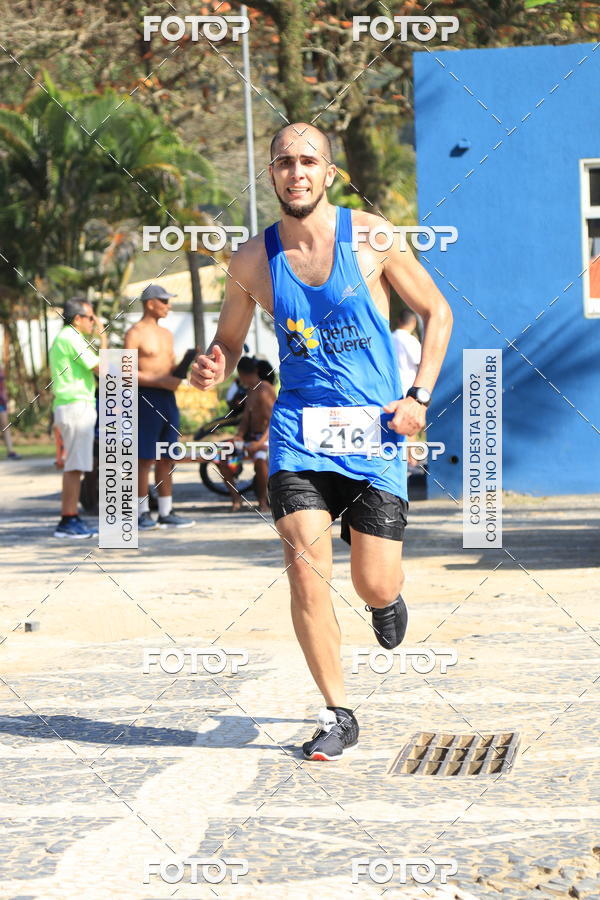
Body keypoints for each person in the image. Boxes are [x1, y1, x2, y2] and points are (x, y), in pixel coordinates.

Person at [190, 123, 452, 760]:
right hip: (298, 436)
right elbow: (227, 338)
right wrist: (214, 362)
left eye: (309, 161)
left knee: (373, 583)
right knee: (306, 574)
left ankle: (385, 600)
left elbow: (437, 312)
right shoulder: (254, 258)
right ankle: (338, 712)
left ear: (328, 174)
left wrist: (417, 398)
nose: (296, 172)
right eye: (284, 162)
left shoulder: (370, 234)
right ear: (272, 174)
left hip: (376, 434)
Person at [124, 283, 195, 530]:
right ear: (150, 303)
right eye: (164, 301)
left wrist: (185, 366)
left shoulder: (167, 334)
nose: (169, 306)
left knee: (167, 455)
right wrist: (159, 381)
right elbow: (125, 372)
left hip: (167, 399)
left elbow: (170, 368)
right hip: (145, 398)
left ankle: (166, 511)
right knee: (143, 457)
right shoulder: (134, 333)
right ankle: (141, 513)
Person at [49, 297, 106, 538]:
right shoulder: (71, 338)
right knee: (74, 467)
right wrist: (104, 339)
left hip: (74, 406)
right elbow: (102, 368)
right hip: (75, 406)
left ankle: (71, 518)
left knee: (76, 466)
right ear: (78, 319)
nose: (95, 321)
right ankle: (68, 520)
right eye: (91, 317)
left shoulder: (70, 338)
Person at [216, 356, 276, 512]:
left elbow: (274, 421)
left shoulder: (265, 388)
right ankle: (236, 499)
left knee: (260, 460)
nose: (243, 379)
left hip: (268, 437)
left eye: (243, 375)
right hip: (250, 437)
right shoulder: (250, 390)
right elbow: (245, 420)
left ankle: (263, 501)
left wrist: (260, 442)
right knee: (222, 456)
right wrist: (239, 436)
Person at [391, 308, 423, 473]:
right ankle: (412, 462)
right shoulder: (410, 341)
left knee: (396, 426)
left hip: (392, 389)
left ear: (398, 321)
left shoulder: (389, 338)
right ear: (414, 322)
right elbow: (420, 361)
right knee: (411, 425)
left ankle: (404, 462)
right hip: (410, 389)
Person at [0, 366, 21, 459]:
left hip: (1, 401)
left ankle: (10, 451)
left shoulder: (0, 368)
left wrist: (6, 400)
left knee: (5, 425)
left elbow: (3, 386)